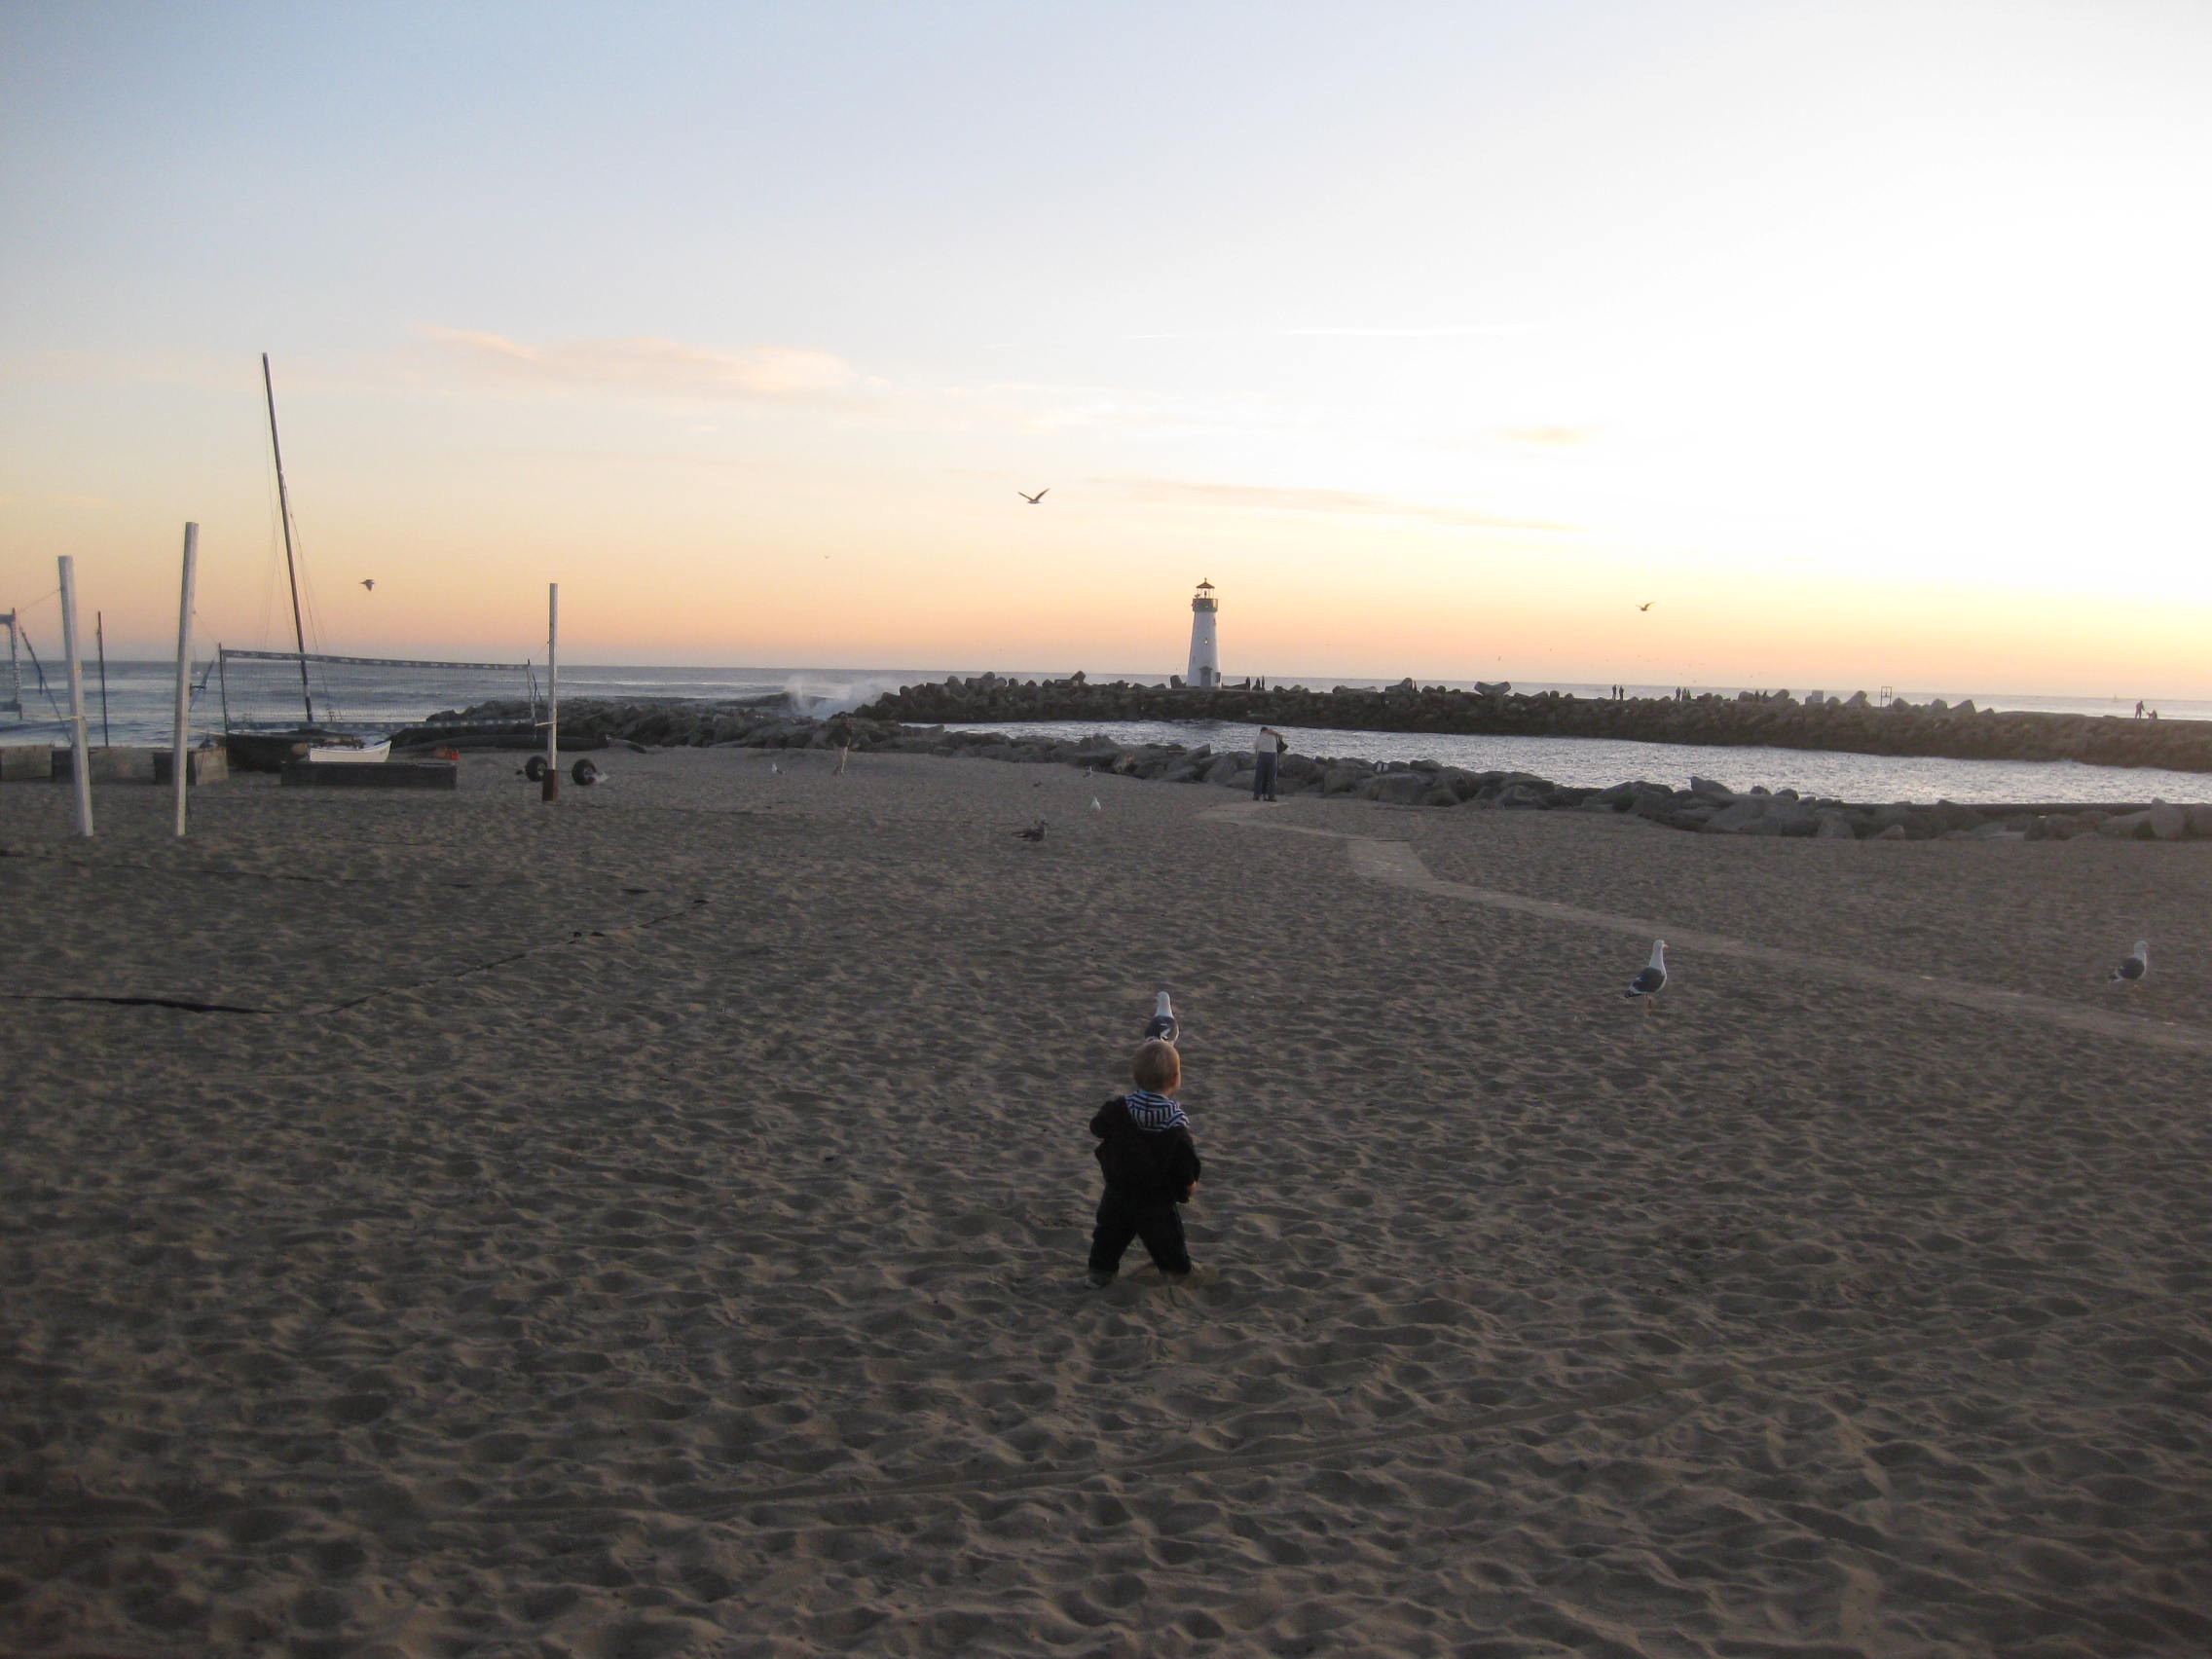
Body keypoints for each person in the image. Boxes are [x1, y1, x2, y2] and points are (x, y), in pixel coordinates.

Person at [1086, 1038, 1201, 1286]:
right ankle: (1178, 1273)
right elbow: (1183, 1160)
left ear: (1136, 1077)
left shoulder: (1119, 1108)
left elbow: (1097, 1127)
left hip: (1119, 1190)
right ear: (1175, 1079)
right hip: (1156, 1197)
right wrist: (1189, 1184)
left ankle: (1099, 1274)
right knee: (1168, 1240)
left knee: (1108, 1235)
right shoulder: (1175, 1121)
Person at [1251, 725, 1286, 801]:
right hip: (1273, 755)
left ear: (1261, 731)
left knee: (1259, 777)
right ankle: (1271, 796)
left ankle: (1256, 796)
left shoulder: (1260, 736)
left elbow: (1255, 746)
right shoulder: (1275, 736)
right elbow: (1280, 742)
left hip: (1262, 755)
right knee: (1272, 777)